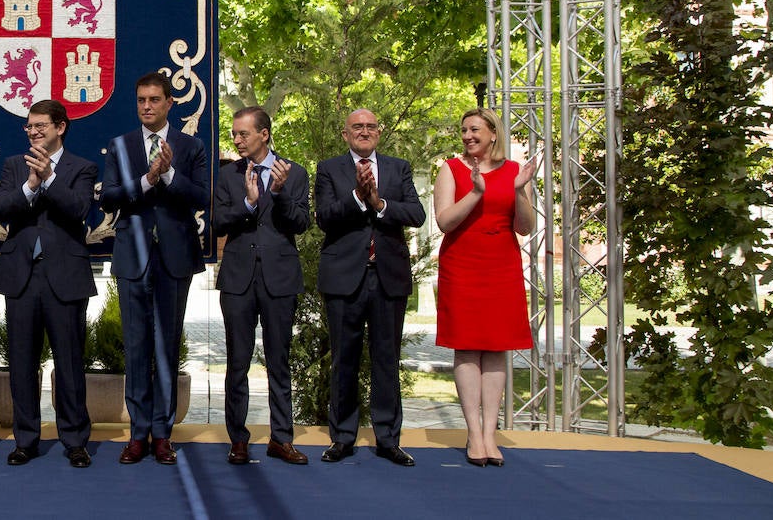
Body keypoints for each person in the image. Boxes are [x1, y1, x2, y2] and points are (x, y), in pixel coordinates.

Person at [99, 71, 209, 465]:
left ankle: (163, 434)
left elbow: (202, 196)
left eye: (154, 100)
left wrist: (171, 175)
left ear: (169, 103)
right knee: (136, 349)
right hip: (133, 258)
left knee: (166, 348)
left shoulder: (190, 146)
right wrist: (147, 179)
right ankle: (138, 434)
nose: (147, 106)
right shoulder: (121, 146)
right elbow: (109, 198)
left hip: (174, 259)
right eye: (141, 100)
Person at [314, 108, 426, 467]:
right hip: (345, 276)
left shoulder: (398, 168)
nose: (364, 131)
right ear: (345, 134)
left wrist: (379, 203)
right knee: (344, 360)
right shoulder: (330, 169)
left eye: (370, 126)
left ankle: (388, 439)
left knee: (386, 360)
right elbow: (324, 216)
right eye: (357, 127)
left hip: (387, 276)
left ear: (379, 133)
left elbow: (416, 214)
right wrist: (359, 198)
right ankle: (342, 438)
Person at [0, 99, 98, 468]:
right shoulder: (12, 166)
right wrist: (29, 187)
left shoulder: (82, 168)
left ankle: (75, 440)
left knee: (69, 363)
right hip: (22, 277)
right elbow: (1, 210)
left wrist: (49, 179)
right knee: (21, 363)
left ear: (60, 127)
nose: (34, 132)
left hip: (65, 278)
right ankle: (26, 439)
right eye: (29, 127)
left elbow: (78, 209)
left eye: (41, 126)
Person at [433, 108, 537, 468]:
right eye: (463, 130)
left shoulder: (512, 171)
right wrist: (476, 193)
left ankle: (491, 433)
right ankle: (474, 433)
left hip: (501, 265)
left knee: (496, 349)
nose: (467, 136)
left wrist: (520, 190)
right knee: (467, 348)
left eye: (474, 129)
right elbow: (444, 221)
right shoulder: (451, 168)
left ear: (493, 133)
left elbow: (525, 227)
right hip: (462, 264)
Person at [212, 106, 310, 465]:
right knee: (237, 362)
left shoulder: (295, 173)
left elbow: (301, 223)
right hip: (238, 279)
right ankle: (238, 438)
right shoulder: (227, 175)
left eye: (243, 134)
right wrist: (249, 203)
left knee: (279, 361)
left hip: (279, 278)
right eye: (235, 134)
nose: (237, 140)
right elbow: (219, 221)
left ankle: (281, 438)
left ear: (264, 134)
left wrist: (280, 194)